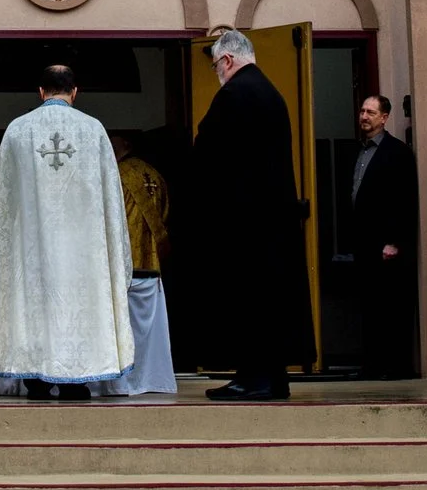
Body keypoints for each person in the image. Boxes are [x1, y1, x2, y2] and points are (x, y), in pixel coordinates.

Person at [0, 64, 134, 400]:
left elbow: (3, 192)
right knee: (76, 305)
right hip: (82, 251)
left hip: (32, 247)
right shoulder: (93, 130)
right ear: (74, 93)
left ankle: (35, 379)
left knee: (34, 302)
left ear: (41, 92)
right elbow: (112, 193)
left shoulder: (18, 130)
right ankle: (75, 381)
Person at [189, 29, 311, 401]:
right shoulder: (270, 92)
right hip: (271, 220)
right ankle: (273, 377)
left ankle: (254, 378)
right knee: (269, 299)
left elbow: (209, 149)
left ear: (227, 60)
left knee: (250, 300)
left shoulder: (234, 94)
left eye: (215, 66)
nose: (216, 73)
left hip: (246, 221)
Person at [349, 93, 418, 379]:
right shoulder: (359, 150)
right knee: (369, 306)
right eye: (363, 111)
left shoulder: (397, 152)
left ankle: (394, 367)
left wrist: (394, 241)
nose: (364, 116)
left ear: (385, 117)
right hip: (363, 241)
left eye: (371, 112)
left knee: (391, 306)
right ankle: (371, 365)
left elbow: (403, 200)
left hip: (386, 244)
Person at [114, 132, 169, 276]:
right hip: (155, 256)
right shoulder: (154, 173)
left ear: (125, 142)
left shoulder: (115, 173)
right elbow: (165, 212)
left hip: (126, 254)